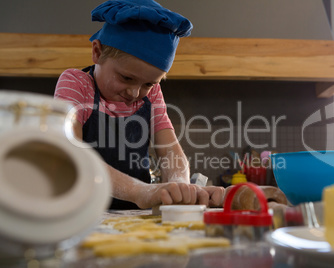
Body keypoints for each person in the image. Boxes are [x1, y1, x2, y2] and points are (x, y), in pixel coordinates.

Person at [54, 0, 224, 210]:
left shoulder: (150, 95)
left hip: (132, 217)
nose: (135, 93)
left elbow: (171, 151)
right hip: (79, 213)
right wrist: (140, 191)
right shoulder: (77, 84)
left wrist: (180, 188)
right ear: (97, 52)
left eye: (149, 83)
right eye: (126, 78)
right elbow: (70, 154)